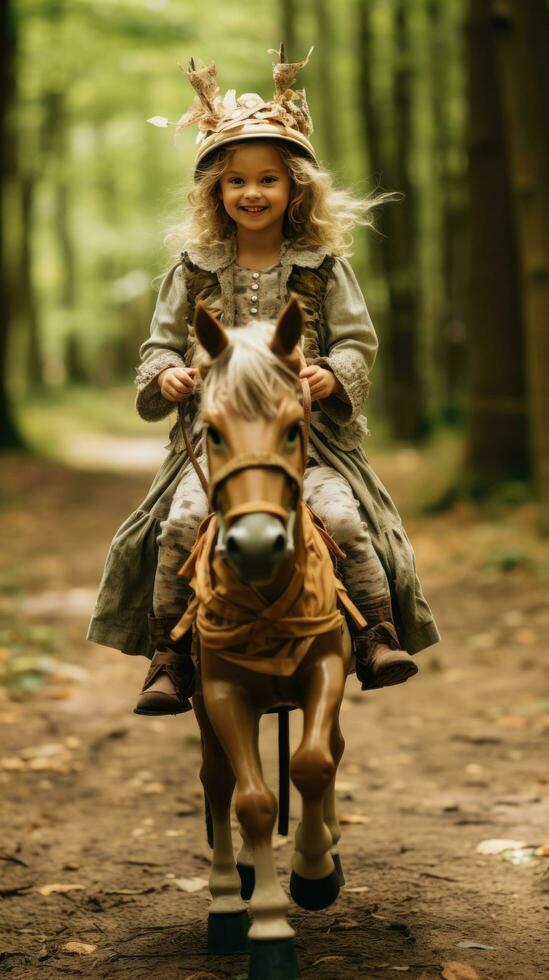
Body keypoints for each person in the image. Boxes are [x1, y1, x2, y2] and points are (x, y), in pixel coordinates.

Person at [87, 48, 439, 715]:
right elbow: (159, 342)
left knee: (344, 518)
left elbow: (358, 341)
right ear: (216, 192)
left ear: (295, 188)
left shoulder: (323, 266)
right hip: (216, 441)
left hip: (301, 439)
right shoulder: (193, 268)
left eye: (268, 179)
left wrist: (331, 377)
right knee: (178, 524)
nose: (252, 193)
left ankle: (373, 635)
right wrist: (167, 375)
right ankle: (170, 653)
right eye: (236, 181)